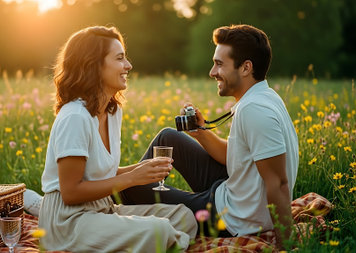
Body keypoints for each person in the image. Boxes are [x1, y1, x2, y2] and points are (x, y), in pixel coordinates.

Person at [119, 24, 299, 250]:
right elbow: (235, 157)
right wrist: (201, 133)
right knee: (168, 137)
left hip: (231, 218)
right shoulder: (263, 96)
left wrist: (286, 245)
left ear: (246, 68)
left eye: (219, 64)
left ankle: (117, 218)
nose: (212, 72)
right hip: (232, 189)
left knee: (130, 186)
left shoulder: (255, 110)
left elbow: (278, 183)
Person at [38, 26, 197, 252]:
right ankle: (166, 242)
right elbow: (71, 192)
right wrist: (132, 178)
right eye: (120, 58)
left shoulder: (112, 112)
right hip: (68, 221)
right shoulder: (75, 117)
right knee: (159, 230)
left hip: (103, 209)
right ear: (93, 65)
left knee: (184, 217)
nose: (128, 66)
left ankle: (164, 242)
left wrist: (142, 170)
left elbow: (98, 173)